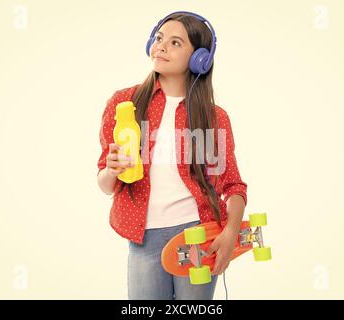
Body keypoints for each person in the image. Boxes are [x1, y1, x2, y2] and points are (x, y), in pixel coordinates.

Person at [97, 11, 247, 300]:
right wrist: (112, 170)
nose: (162, 46)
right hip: (143, 237)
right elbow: (104, 184)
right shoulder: (124, 103)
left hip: (199, 234)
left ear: (199, 59)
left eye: (176, 42)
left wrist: (229, 232)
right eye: (159, 38)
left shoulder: (215, 118)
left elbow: (233, 186)